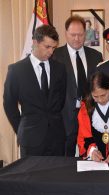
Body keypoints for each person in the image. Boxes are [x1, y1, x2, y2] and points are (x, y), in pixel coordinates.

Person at [3, 25, 67, 157]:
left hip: (57, 138)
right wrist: (21, 129)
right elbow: (9, 104)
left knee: (56, 176)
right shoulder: (16, 70)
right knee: (32, 177)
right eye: (47, 47)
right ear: (35, 42)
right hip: (30, 139)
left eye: (54, 47)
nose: (51, 52)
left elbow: (60, 100)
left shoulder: (60, 68)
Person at [52, 15, 103, 157]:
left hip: (90, 115)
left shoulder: (96, 56)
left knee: (91, 152)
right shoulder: (55, 56)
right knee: (64, 157)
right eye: (73, 34)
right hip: (63, 116)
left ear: (85, 34)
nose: (76, 38)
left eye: (80, 34)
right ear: (65, 33)